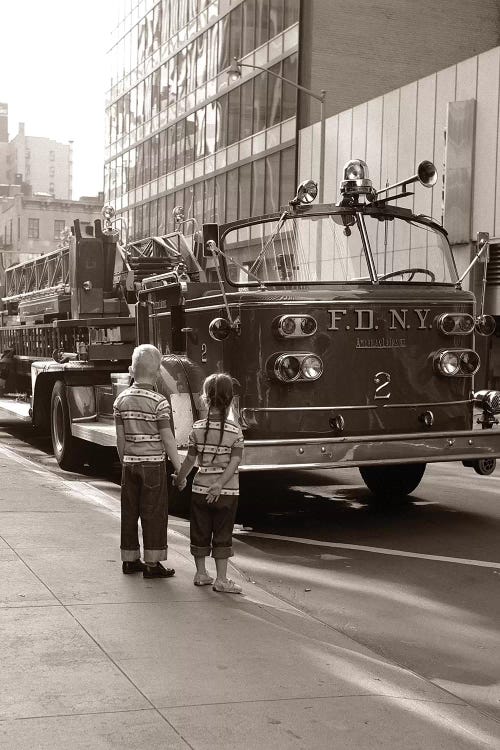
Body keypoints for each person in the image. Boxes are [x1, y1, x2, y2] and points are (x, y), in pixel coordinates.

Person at [113, 344, 181, 578]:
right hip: (153, 465)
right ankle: (152, 563)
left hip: (130, 464)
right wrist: (179, 467)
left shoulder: (121, 400)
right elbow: (168, 438)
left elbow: (120, 438)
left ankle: (130, 559)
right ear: (158, 373)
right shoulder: (159, 402)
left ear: (131, 370)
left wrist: (125, 461)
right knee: (154, 513)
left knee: (129, 512)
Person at [175, 372, 244, 593]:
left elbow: (189, 459)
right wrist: (220, 484)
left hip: (199, 489)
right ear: (231, 400)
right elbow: (235, 463)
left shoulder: (196, 428)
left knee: (200, 531)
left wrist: (180, 477)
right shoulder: (236, 431)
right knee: (223, 534)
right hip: (227, 492)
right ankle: (222, 579)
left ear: (205, 399)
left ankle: (200, 573)